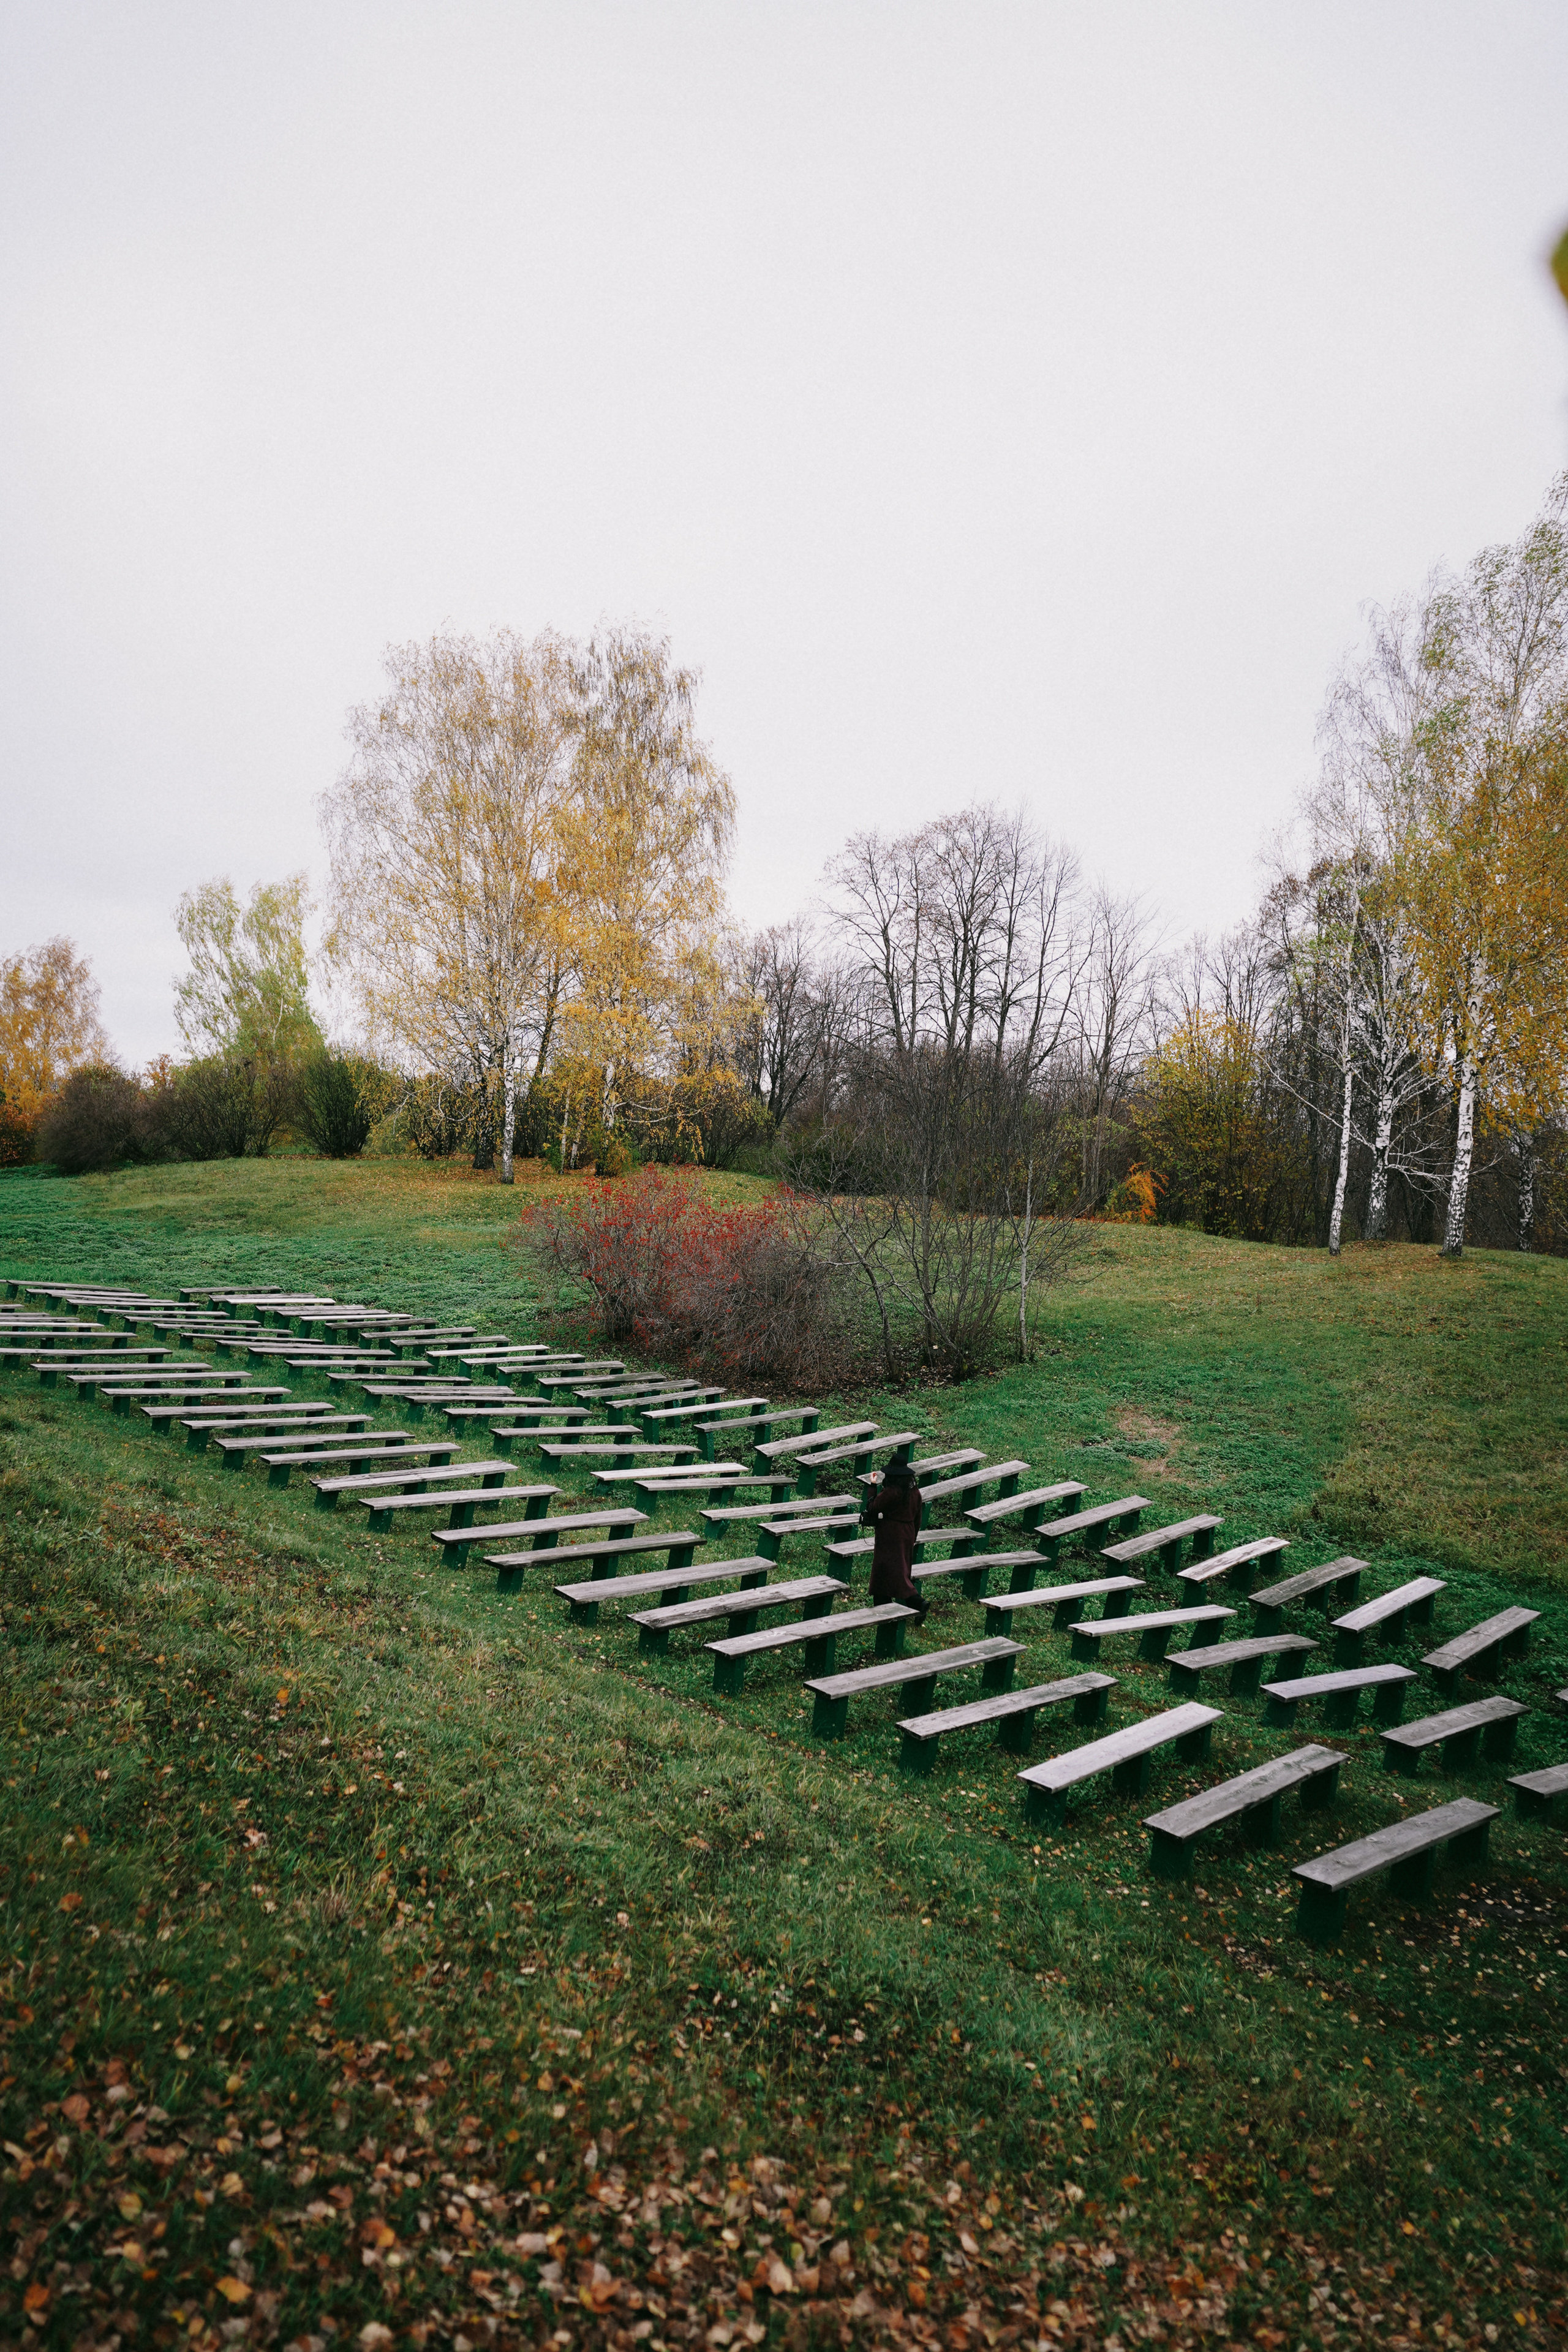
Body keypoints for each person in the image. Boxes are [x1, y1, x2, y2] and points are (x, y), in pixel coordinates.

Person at [862, 1460, 925, 1619]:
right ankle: (887, 1605)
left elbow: (873, 1507)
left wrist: (872, 1485)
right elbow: (918, 1518)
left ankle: (917, 1602)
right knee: (900, 1569)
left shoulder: (892, 1492)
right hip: (908, 1533)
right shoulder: (915, 1492)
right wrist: (913, 1537)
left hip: (891, 1534)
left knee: (886, 1571)